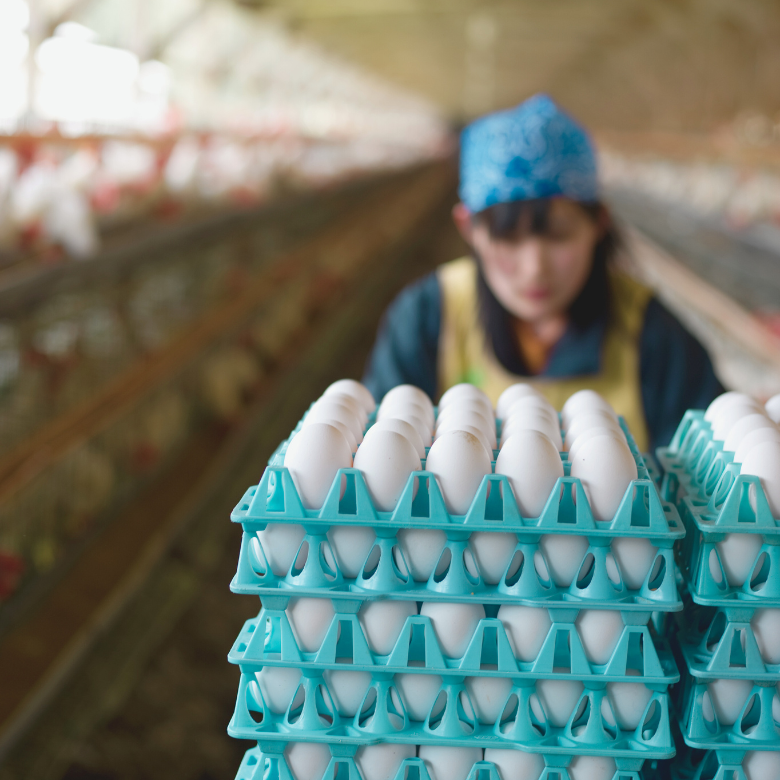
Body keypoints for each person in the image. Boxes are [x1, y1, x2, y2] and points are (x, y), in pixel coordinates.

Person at [362, 94, 722, 451]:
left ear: (598, 224)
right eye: (507, 237)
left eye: (559, 235)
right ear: (468, 228)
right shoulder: (428, 318)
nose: (534, 269)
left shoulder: (654, 338)